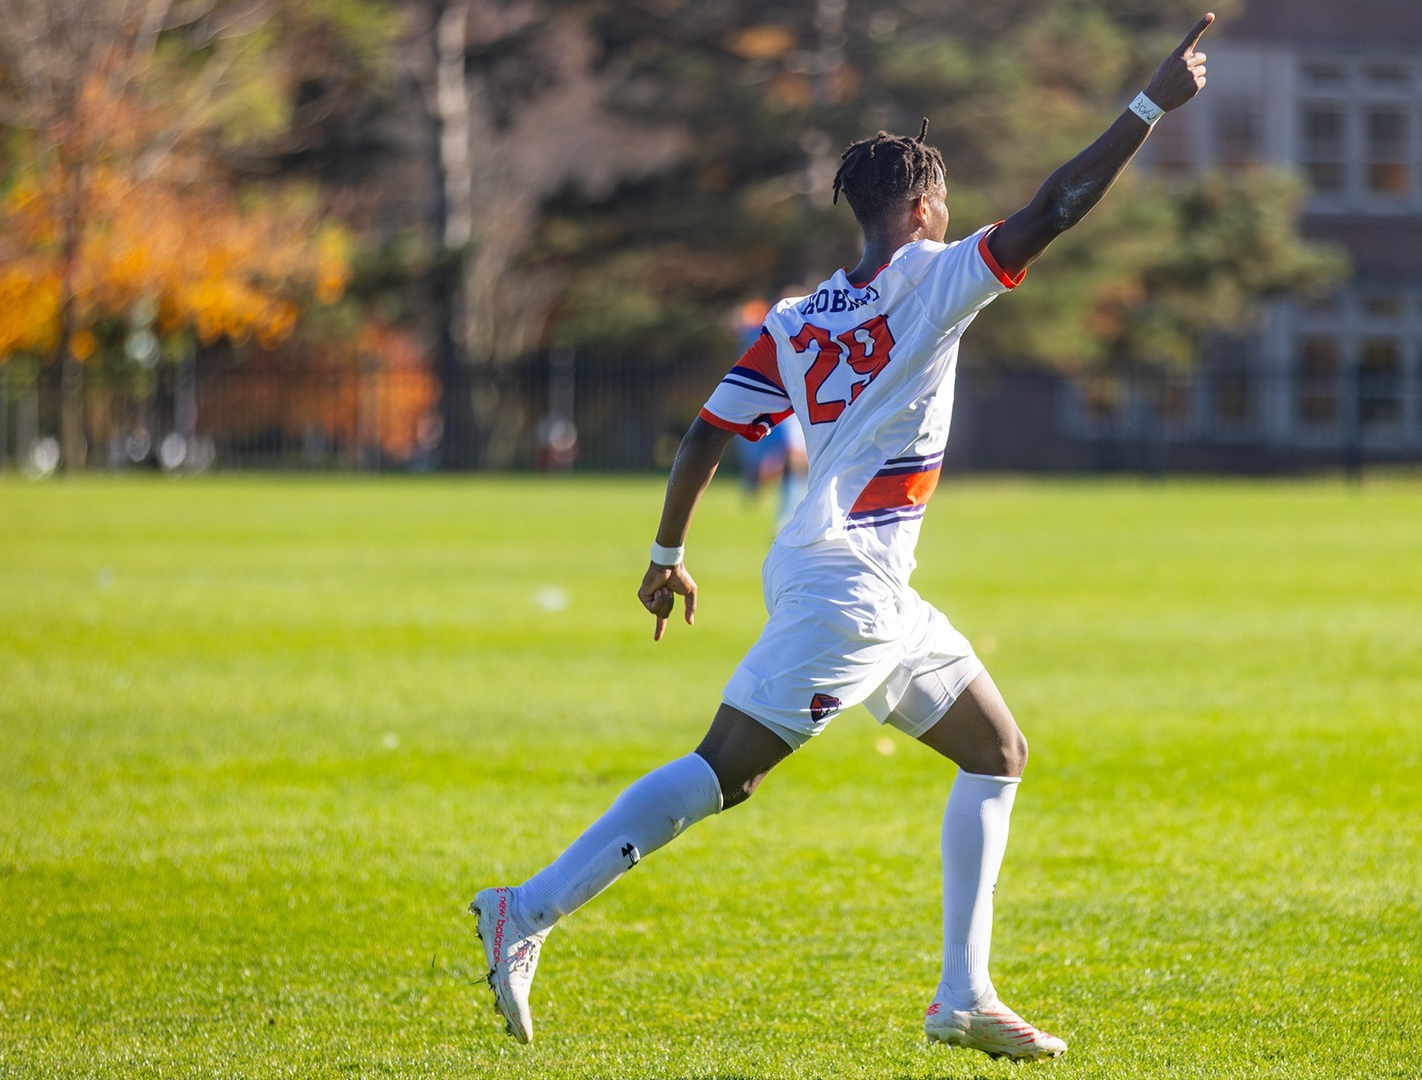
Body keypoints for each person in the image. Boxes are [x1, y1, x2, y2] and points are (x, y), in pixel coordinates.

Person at [472, 14, 1214, 1061]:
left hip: (853, 580)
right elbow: (1059, 204)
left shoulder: (793, 319)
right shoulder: (939, 277)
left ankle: (964, 993)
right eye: (942, 202)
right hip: (850, 588)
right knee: (725, 772)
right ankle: (528, 908)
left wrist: (667, 557)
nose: (949, 215)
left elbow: (707, 432)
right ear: (921, 208)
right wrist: (1148, 105)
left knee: (996, 751)